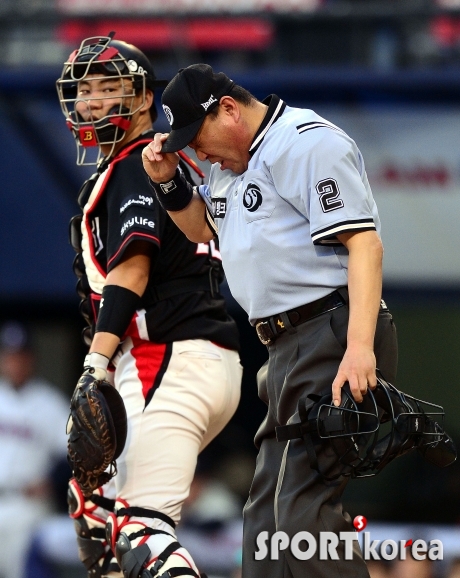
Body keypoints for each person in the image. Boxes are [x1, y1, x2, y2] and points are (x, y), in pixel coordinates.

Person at [142, 64, 398, 578]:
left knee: (302, 515)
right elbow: (206, 229)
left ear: (229, 109)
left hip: (332, 330)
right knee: (265, 528)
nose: (197, 152)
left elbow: (365, 245)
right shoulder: (226, 167)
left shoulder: (306, 143)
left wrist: (359, 346)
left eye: (198, 136)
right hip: (285, 349)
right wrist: (169, 186)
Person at [56, 37, 242, 578]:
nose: (90, 102)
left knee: (142, 529)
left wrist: (94, 365)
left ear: (140, 97)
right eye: (83, 90)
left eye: (107, 88)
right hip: (195, 360)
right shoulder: (163, 162)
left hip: (165, 358)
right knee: (94, 504)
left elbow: (132, 268)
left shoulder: (137, 163)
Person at [0, 321, 69, 578]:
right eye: (10, 356)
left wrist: (52, 481)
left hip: (27, 507)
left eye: (21, 357)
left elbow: (76, 454)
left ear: (31, 360)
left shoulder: (49, 402)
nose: (15, 363)